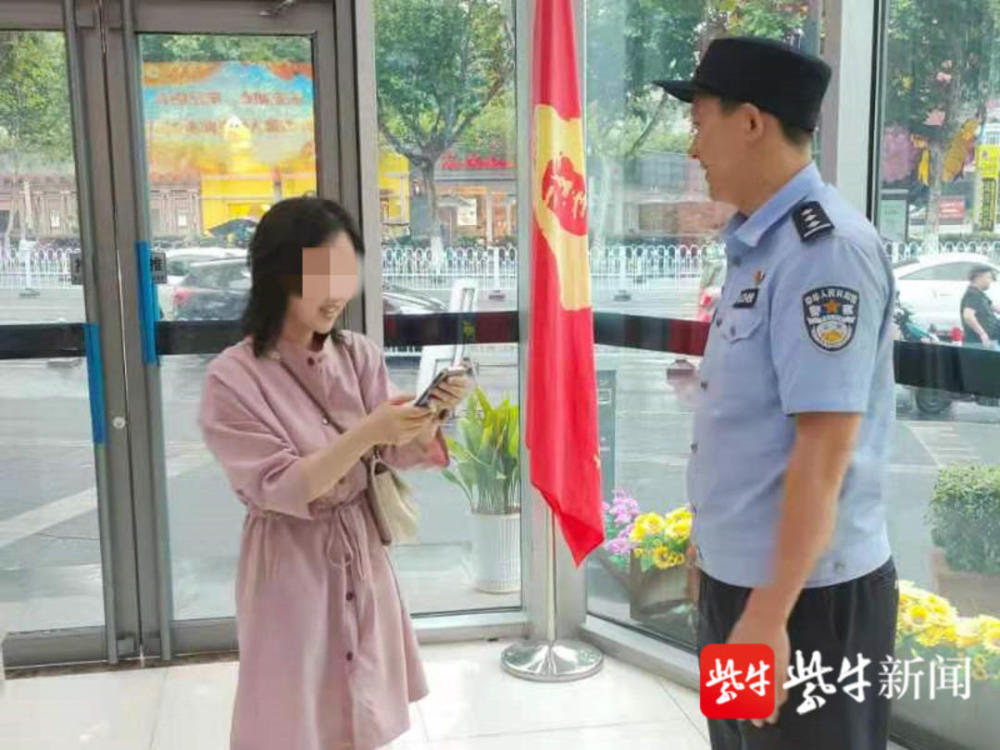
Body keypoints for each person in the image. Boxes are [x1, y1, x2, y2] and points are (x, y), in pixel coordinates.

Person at [656, 37, 898, 749]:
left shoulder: (826, 252)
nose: (694, 148)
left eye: (700, 123)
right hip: (744, 589)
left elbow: (824, 452)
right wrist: (714, 552)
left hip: (805, 605)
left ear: (752, 122)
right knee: (738, 741)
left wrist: (767, 617)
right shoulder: (758, 248)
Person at [198, 197, 470, 750]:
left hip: (361, 552)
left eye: (346, 275)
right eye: (321, 275)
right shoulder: (232, 379)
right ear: (279, 273)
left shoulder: (359, 355)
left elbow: (391, 453)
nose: (338, 292)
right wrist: (367, 431)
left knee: (361, 706)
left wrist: (428, 415)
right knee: (295, 714)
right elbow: (282, 486)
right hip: (290, 567)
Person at [960, 265, 1000, 348]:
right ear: (978, 278)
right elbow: (968, 316)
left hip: (992, 336)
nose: (991, 281)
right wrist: (982, 334)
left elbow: (995, 307)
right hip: (980, 342)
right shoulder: (973, 295)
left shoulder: (980, 294)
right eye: (988, 277)